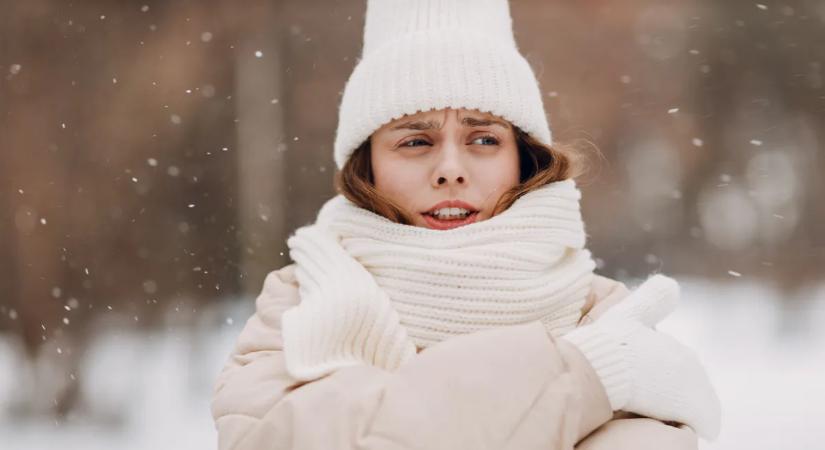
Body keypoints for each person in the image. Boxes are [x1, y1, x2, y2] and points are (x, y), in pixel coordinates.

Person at [210, 1, 721, 449]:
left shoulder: (600, 316)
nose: (450, 168)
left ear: (523, 158)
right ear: (368, 165)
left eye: (483, 140)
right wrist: (584, 375)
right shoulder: (297, 309)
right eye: (415, 141)